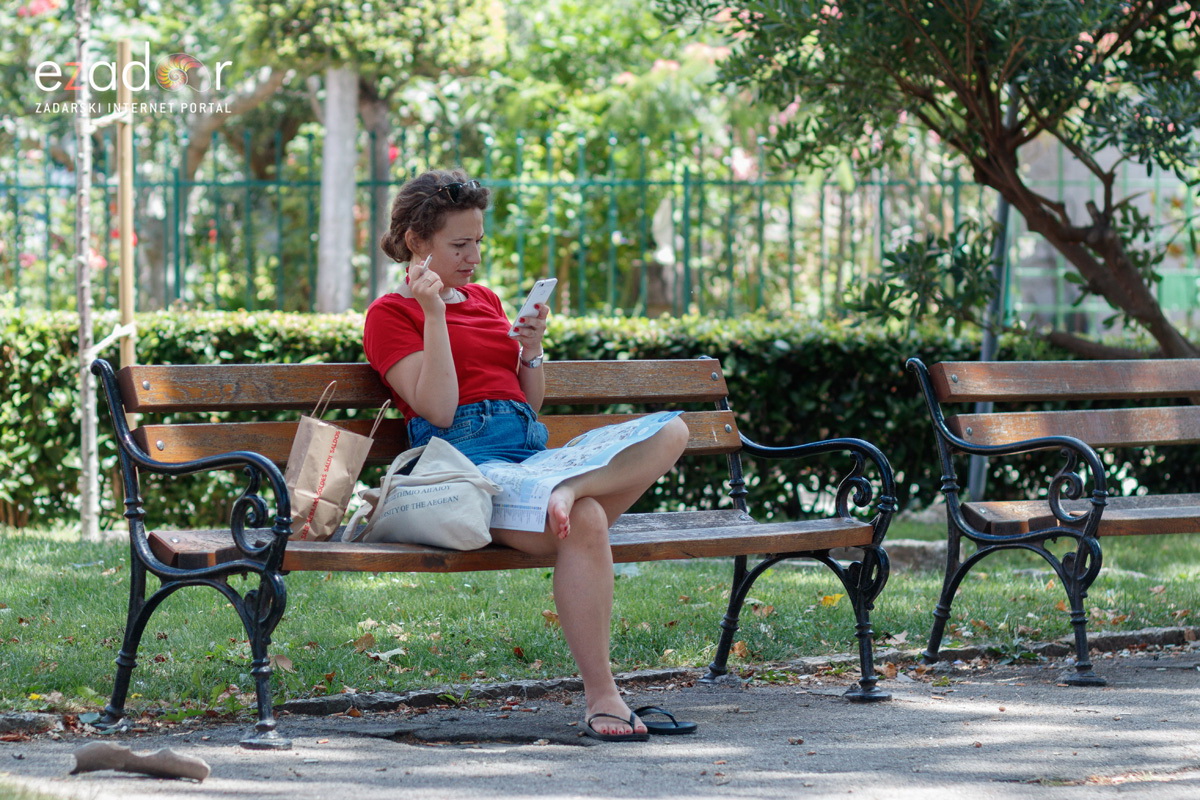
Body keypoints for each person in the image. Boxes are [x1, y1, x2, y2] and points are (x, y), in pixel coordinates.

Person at [363, 169, 692, 742]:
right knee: (584, 520)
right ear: (418, 242)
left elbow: (528, 403)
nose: (473, 257)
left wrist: (531, 350)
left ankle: (569, 486)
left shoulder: (487, 299)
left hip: (530, 458)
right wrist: (435, 314)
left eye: (478, 242)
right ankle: (603, 697)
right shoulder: (390, 315)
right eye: (458, 245)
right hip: (470, 471)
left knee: (672, 431)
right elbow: (439, 410)